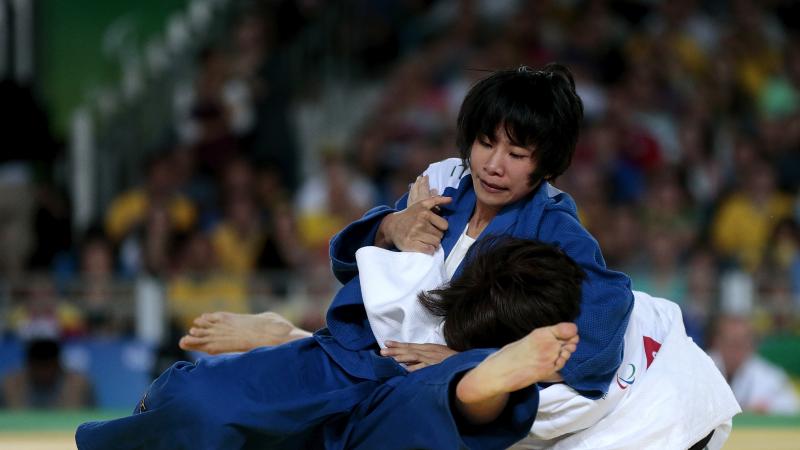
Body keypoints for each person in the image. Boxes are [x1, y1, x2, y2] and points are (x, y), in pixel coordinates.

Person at [182, 64, 634, 397]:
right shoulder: (445, 185)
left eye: (517, 154)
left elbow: (599, 341)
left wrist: (473, 364)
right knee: (221, 394)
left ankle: (291, 339)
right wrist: (391, 227)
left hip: (448, 382)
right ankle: (297, 340)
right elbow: (354, 267)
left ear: (546, 165)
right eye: (485, 143)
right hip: (381, 350)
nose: (494, 166)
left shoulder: (557, 232)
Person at [76, 236, 583, 450]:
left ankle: (480, 378)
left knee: (410, 402)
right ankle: (478, 378)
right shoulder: (439, 202)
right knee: (203, 405)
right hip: (365, 362)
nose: (498, 164)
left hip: (410, 377)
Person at [1, 338, 95, 409]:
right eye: (38, 367)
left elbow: (92, 420)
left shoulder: (80, 385)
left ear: (58, 365)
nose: (43, 373)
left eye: (47, 366)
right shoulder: (9, 385)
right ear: (29, 365)